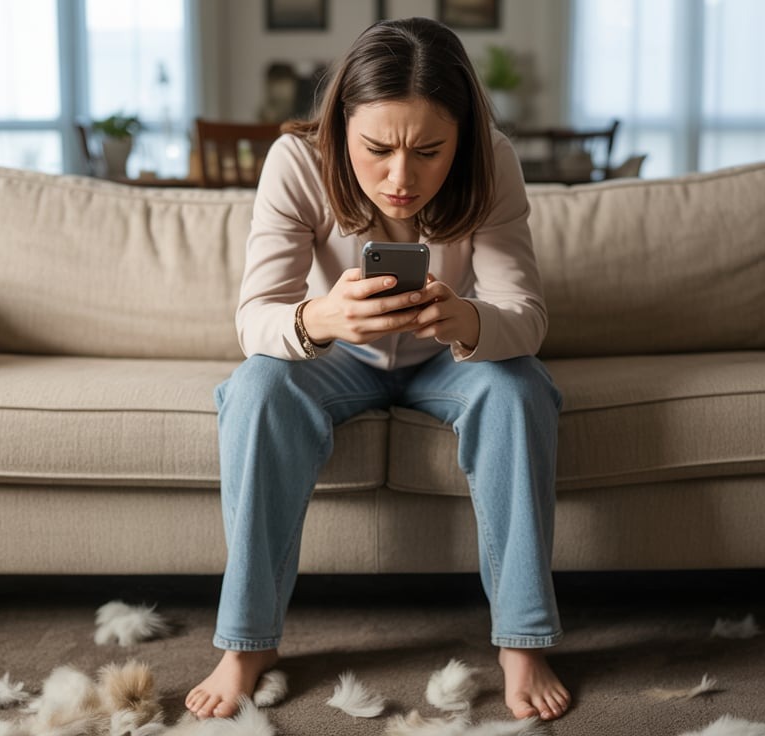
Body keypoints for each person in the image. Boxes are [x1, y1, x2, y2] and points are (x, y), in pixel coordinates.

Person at [184, 17, 571, 722]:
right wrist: (321, 319)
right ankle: (246, 643)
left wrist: (468, 319)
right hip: (335, 357)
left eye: (429, 151)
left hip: (447, 359)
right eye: (377, 149)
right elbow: (255, 318)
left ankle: (521, 640)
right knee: (257, 387)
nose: (401, 178)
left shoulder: (494, 160)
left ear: (463, 138)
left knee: (520, 390)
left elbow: (526, 315)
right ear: (341, 129)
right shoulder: (296, 160)